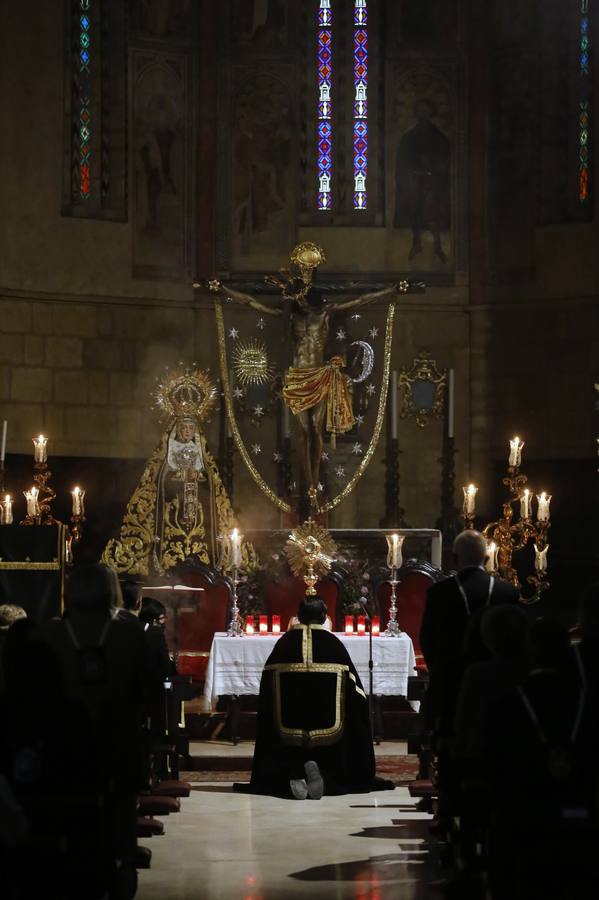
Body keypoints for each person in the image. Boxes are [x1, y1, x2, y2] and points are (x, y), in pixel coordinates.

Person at [208, 243, 420, 492]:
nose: (301, 301)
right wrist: (223, 290)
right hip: (298, 377)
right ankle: (309, 481)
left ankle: (313, 480)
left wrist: (393, 290)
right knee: (304, 431)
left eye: (303, 296)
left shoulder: (326, 314)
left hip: (319, 376)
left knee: (316, 430)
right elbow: (252, 303)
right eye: (298, 297)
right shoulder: (292, 318)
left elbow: (361, 300)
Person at [236, 594, 393, 799]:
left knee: (283, 749)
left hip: (288, 731)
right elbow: (356, 692)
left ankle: (292, 775)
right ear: (323, 616)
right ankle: (325, 778)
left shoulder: (284, 645)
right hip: (330, 734)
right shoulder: (333, 645)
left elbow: (267, 689)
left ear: (298, 617)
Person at [420, 529, 519, 736]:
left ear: (454, 558)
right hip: (499, 685)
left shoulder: (440, 593)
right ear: (487, 558)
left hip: (450, 684)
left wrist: (440, 671)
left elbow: (427, 640)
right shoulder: (506, 592)